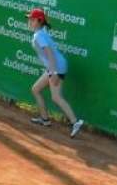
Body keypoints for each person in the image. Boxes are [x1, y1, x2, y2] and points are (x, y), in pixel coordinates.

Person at [27, 8, 85, 138]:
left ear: (39, 21)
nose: (29, 21)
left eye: (32, 19)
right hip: (54, 67)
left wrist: (53, 72)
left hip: (56, 67)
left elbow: (50, 54)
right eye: (29, 19)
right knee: (35, 89)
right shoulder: (41, 32)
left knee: (56, 97)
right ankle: (45, 119)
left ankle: (75, 122)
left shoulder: (39, 35)